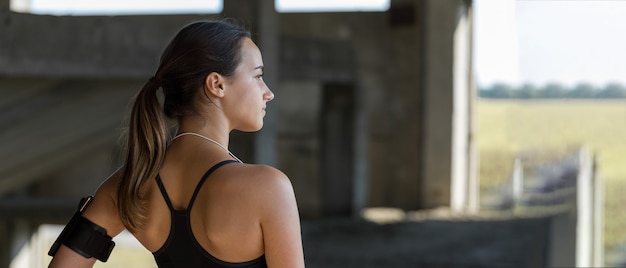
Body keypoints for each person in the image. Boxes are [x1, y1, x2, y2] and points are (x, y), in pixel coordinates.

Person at [48, 19, 305, 268]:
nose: (268, 92)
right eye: (258, 76)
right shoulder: (268, 188)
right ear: (216, 84)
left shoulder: (130, 183)